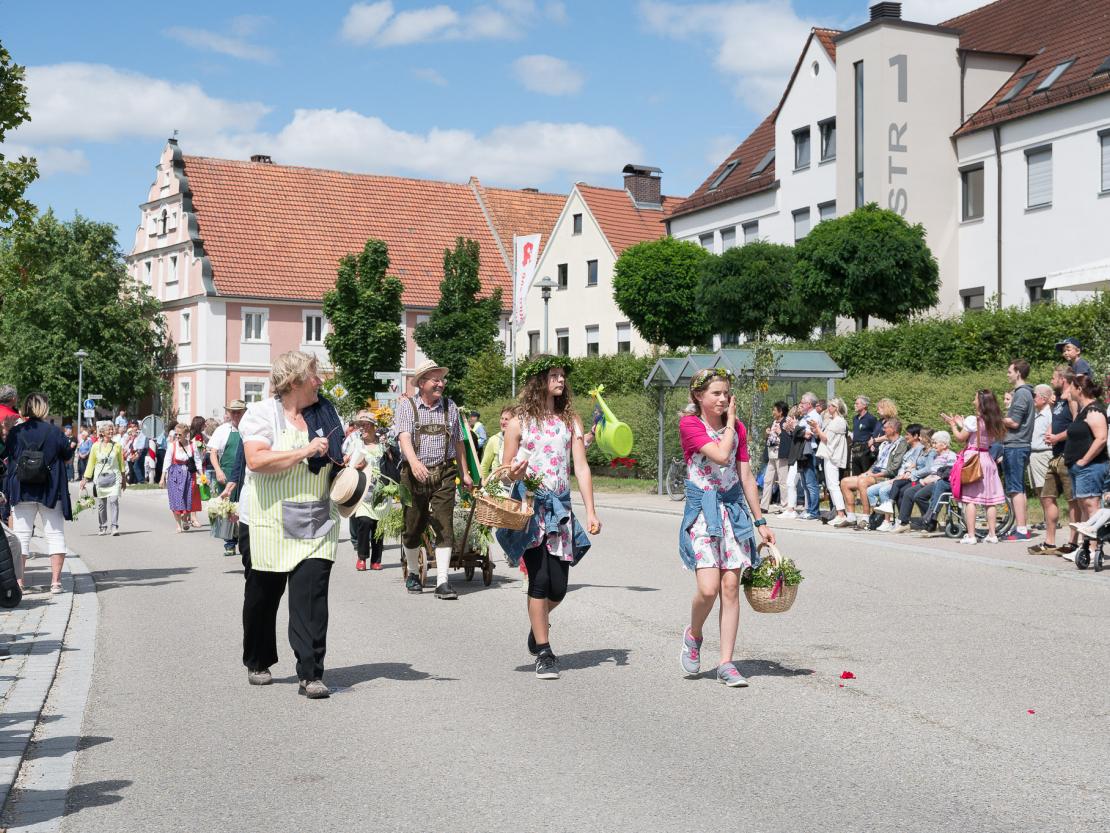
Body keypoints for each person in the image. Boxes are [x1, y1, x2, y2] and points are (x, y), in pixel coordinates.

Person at [239, 350, 343, 698]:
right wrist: (305, 452)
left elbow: (337, 457)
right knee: (262, 599)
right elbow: (255, 460)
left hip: (315, 518)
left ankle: (310, 673)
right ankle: (258, 659)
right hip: (265, 521)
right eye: (315, 375)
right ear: (296, 381)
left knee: (311, 598)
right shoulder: (261, 414)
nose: (321, 381)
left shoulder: (325, 414)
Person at [496, 356, 600, 680]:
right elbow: (502, 472)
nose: (560, 380)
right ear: (539, 380)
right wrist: (512, 472)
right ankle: (544, 651)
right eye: (554, 375)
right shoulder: (519, 423)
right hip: (530, 507)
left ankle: (536, 623)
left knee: (559, 588)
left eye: (562, 375)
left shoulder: (570, 421)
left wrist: (592, 511)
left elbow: (581, 467)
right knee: (539, 580)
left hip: (562, 510)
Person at [673, 367, 774, 688]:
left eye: (726, 392)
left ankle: (726, 662)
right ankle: (694, 634)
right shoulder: (690, 424)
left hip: (733, 513)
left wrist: (760, 522)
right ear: (698, 396)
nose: (723, 398)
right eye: (716, 393)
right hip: (703, 512)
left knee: (730, 588)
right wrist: (730, 424)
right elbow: (718, 455)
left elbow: (745, 476)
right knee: (708, 589)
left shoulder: (739, 429)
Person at [394, 359, 473, 599]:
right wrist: (415, 463)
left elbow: (459, 442)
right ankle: (414, 574)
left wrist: (465, 472)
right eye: (435, 380)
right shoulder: (407, 405)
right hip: (413, 473)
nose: (441, 384)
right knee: (413, 526)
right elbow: (404, 437)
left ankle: (442, 582)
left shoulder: (451, 407)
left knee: (444, 525)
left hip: (444, 472)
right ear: (422, 383)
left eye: (442, 379)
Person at [3, 393, 73, 594]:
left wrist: (7, 432)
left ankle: (19, 582)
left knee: (21, 536)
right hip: (50, 490)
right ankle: (56, 582)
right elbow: (67, 457)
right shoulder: (54, 432)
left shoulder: (16, 432)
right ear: (44, 408)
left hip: (22, 489)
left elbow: (6, 454)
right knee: (55, 534)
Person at [943, 390, 1006, 544]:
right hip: (987, 458)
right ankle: (992, 534)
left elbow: (960, 438)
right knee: (990, 500)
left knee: (970, 499)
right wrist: (962, 424)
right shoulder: (994, 420)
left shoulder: (973, 419)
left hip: (973, 459)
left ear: (981, 402)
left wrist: (953, 425)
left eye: (975, 398)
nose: (973, 401)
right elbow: (979, 436)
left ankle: (971, 536)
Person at [1029, 367, 1080, 556]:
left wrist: (1057, 437)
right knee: (1046, 496)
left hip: (1068, 455)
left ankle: (1073, 543)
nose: (1051, 381)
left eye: (1053, 377)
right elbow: (1056, 419)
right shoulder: (1058, 399)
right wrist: (1050, 433)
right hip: (1055, 456)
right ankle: (1050, 542)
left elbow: (1076, 425)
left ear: (1063, 379)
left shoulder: (1072, 398)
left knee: (1072, 501)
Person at [838, 418, 907, 529]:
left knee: (862, 481)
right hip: (875, 473)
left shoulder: (901, 443)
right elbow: (877, 462)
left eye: (886, 427)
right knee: (845, 482)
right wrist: (867, 472)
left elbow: (894, 467)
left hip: (886, 475)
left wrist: (872, 475)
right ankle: (851, 517)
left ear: (893, 429)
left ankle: (866, 518)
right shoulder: (885, 443)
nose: (883, 429)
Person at [1062, 375, 1108, 539]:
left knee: (1090, 506)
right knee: (1083, 506)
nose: (1069, 390)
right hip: (1078, 467)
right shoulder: (1082, 410)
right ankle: (1086, 547)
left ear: (1079, 389)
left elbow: (1101, 438)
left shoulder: (1094, 410)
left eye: (1071, 387)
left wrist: (1084, 461)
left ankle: (1096, 549)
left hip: (1090, 467)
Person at [1001, 360, 1036, 541]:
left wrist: (995, 417)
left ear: (1018, 373)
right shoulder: (1023, 393)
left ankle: (1021, 530)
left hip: (1016, 444)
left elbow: (1014, 422)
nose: (1007, 374)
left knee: (1015, 488)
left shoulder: (1022, 394)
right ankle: (1021, 527)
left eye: (1009, 371)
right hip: (1018, 444)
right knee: (1018, 488)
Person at [895, 431, 957, 532]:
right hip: (929, 481)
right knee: (909, 492)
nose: (933, 445)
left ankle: (930, 521)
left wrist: (929, 480)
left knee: (919, 496)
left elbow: (948, 474)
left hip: (939, 482)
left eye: (936, 443)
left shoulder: (951, 456)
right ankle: (904, 522)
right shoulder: (937, 456)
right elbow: (932, 471)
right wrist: (925, 479)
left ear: (944, 445)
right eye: (933, 443)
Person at [209, 400, 248, 556]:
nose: (236, 414)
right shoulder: (222, 430)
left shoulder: (250, 428)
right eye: (233, 412)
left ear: (244, 412)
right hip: (227, 474)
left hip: (246, 474)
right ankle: (230, 543)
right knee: (228, 508)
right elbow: (213, 452)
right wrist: (218, 471)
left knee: (245, 508)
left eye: (239, 411)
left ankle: (245, 541)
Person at [81, 421, 126, 536]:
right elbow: (91, 463)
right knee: (101, 504)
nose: (111, 431)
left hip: (114, 477)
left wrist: (124, 479)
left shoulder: (117, 446)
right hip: (100, 479)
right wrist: (85, 479)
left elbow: (121, 463)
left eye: (112, 429)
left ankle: (114, 526)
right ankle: (103, 526)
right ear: (102, 432)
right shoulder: (96, 446)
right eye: (108, 430)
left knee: (114, 500)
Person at [815, 398, 850, 526]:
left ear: (836, 408)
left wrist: (817, 428)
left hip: (833, 455)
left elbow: (825, 438)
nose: (828, 408)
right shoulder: (834, 421)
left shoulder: (839, 421)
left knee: (833, 485)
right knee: (831, 486)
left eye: (831, 406)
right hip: (829, 455)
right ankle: (838, 512)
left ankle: (841, 513)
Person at [162, 423, 201, 532]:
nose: (177, 436)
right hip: (174, 474)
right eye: (176, 434)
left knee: (188, 499)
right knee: (175, 500)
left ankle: (185, 518)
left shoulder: (192, 445)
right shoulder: (172, 445)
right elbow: (167, 461)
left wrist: (201, 475)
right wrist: (162, 477)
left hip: (189, 474)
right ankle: (178, 524)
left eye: (180, 434)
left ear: (186, 434)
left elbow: (198, 460)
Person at [760, 401, 791, 513]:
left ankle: (785, 506)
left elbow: (788, 437)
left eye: (775, 410)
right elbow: (769, 438)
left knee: (783, 481)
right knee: (768, 480)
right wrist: (767, 433)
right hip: (771, 454)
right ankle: (764, 505)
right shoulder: (773, 422)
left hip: (781, 454)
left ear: (780, 411)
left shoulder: (786, 421)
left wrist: (781, 432)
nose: (773, 412)